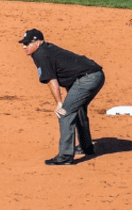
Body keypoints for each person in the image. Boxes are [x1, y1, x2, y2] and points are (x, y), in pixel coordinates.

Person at [19, 29, 105, 166]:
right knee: (78, 108)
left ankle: (65, 156)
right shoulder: (43, 50)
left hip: (87, 79)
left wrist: (59, 102)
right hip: (94, 75)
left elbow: (51, 80)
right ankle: (86, 146)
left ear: (38, 42)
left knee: (65, 113)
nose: (24, 46)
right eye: (23, 43)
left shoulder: (40, 54)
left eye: (27, 43)